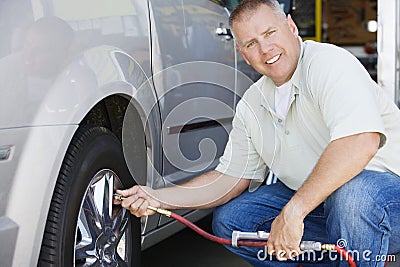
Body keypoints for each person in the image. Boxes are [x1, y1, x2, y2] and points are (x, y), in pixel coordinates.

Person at [116, 0, 400, 266]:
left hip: (387, 199)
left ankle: (366, 250)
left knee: (354, 195)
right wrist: (158, 197)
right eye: (252, 43)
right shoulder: (253, 104)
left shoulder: (328, 64)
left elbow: (361, 142)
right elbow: (229, 179)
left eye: (270, 32)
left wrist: (294, 211)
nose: (266, 49)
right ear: (242, 53)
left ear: (291, 26)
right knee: (235, 219)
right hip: (328, 207)